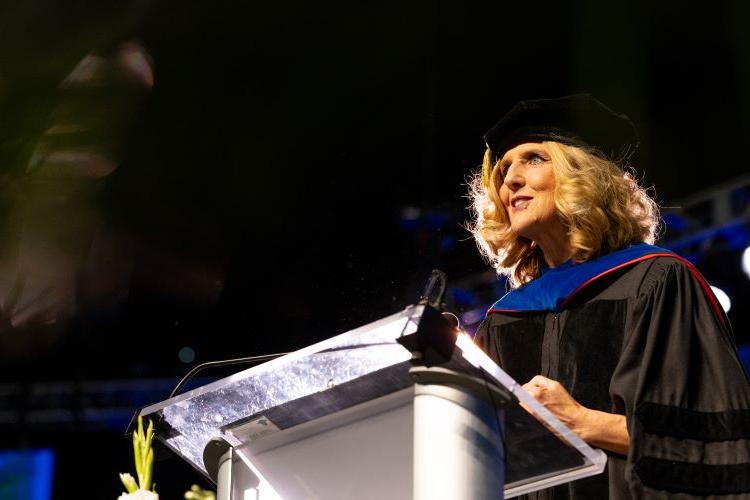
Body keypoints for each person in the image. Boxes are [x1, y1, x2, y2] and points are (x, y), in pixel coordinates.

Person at [470, 94, 750, 498]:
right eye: (503, 169)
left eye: (533, 158)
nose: (510, 179)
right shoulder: (502, 322)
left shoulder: (656, 282)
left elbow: (719, 451)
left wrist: (583, 422)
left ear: (582, 175)